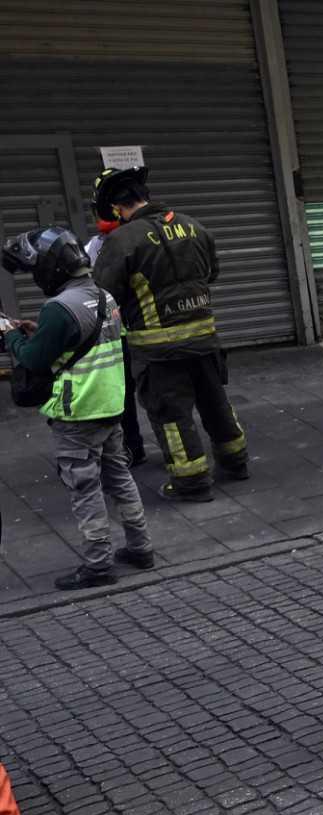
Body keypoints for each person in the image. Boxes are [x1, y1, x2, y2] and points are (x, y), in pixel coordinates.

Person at [3, 226, 152, 590]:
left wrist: (10, 336)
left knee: (84, 488)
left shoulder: (59, 307)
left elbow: (36, 360)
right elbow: (90, 336)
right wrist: (40, 329)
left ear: (51, 268)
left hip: (77, 412)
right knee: (119, 477)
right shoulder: (104, 296)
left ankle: (99, 564)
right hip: (110, 404)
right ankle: (141, 547)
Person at [90, 166, 248, 503]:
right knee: (215, 401)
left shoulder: (122, 241)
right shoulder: (194, 226)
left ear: (118, 208)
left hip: (158, 350)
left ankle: (192, 483)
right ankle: (235, 462)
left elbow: (104, 291)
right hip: (205, 339)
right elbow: (212, 273)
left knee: (171, 414)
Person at [82, 217, 144, 467]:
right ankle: (133, 447)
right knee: (130, 395)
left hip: (125, 332)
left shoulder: (97, 247)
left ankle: (132, 448)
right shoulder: (127, 241)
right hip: (128, 331)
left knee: (127, 395)